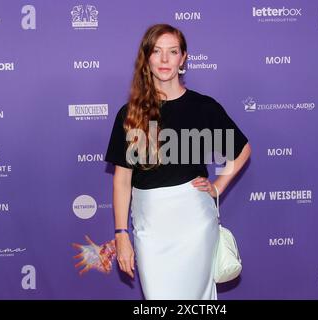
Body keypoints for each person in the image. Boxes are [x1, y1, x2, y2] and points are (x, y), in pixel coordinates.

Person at [105, 24, 251, 300]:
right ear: (146, 57)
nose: (164, 59)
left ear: (183, 58)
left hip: (195, 221)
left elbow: (242, 149)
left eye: (172, 52)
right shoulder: (130, 114)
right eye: (157, 51)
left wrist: (218, 186)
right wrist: (121, 233)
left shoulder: (203, 107)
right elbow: (122, 180)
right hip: (150, 224)